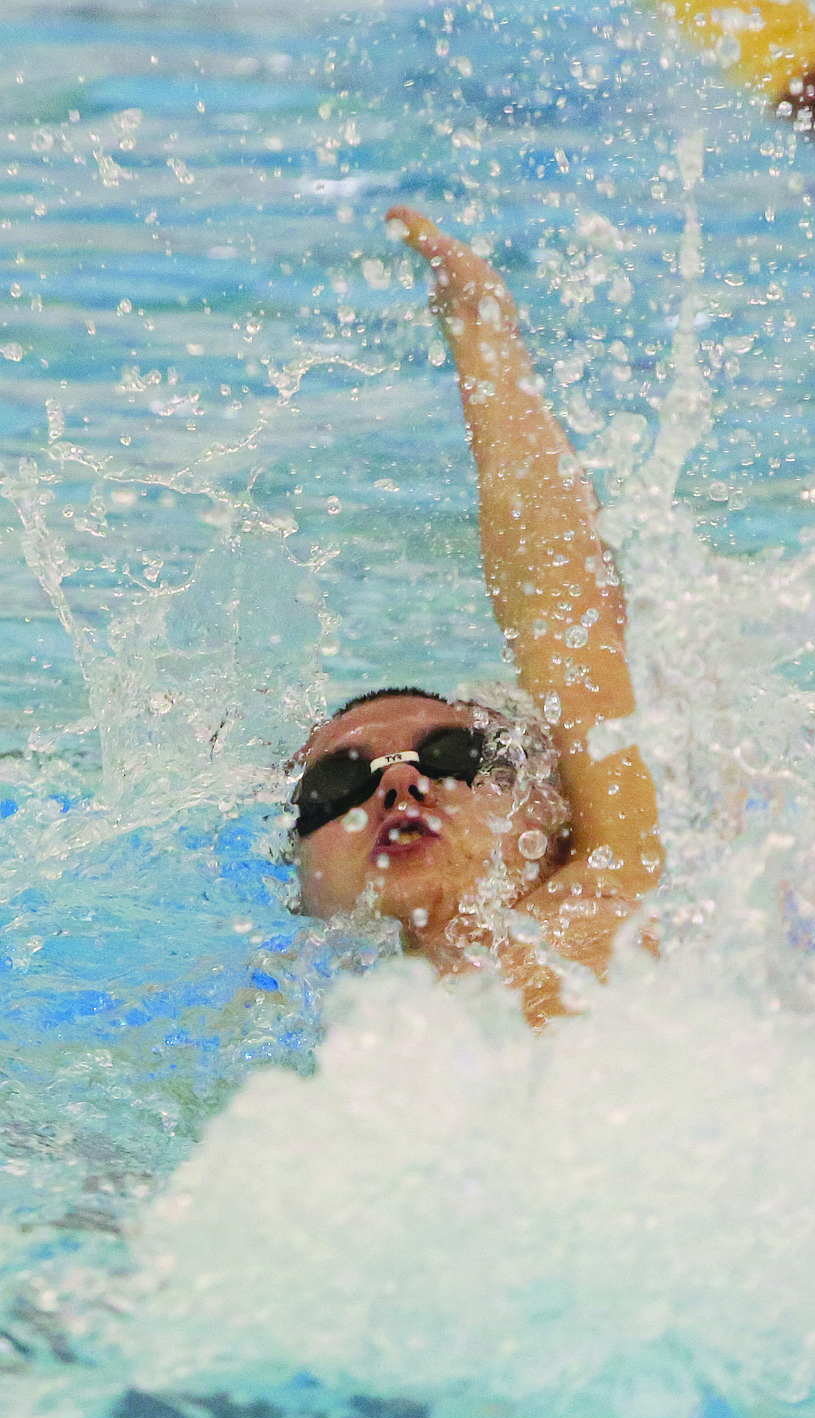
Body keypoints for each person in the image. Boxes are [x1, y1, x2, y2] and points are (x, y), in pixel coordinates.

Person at [292, 208, 664, 1026]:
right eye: (336, 784)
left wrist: (481, 332)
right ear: (300, 888)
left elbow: (569, 617)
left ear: (554, 804)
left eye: (457, 754)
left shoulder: (617, 893)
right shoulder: (297, 1050)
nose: (398, 783)